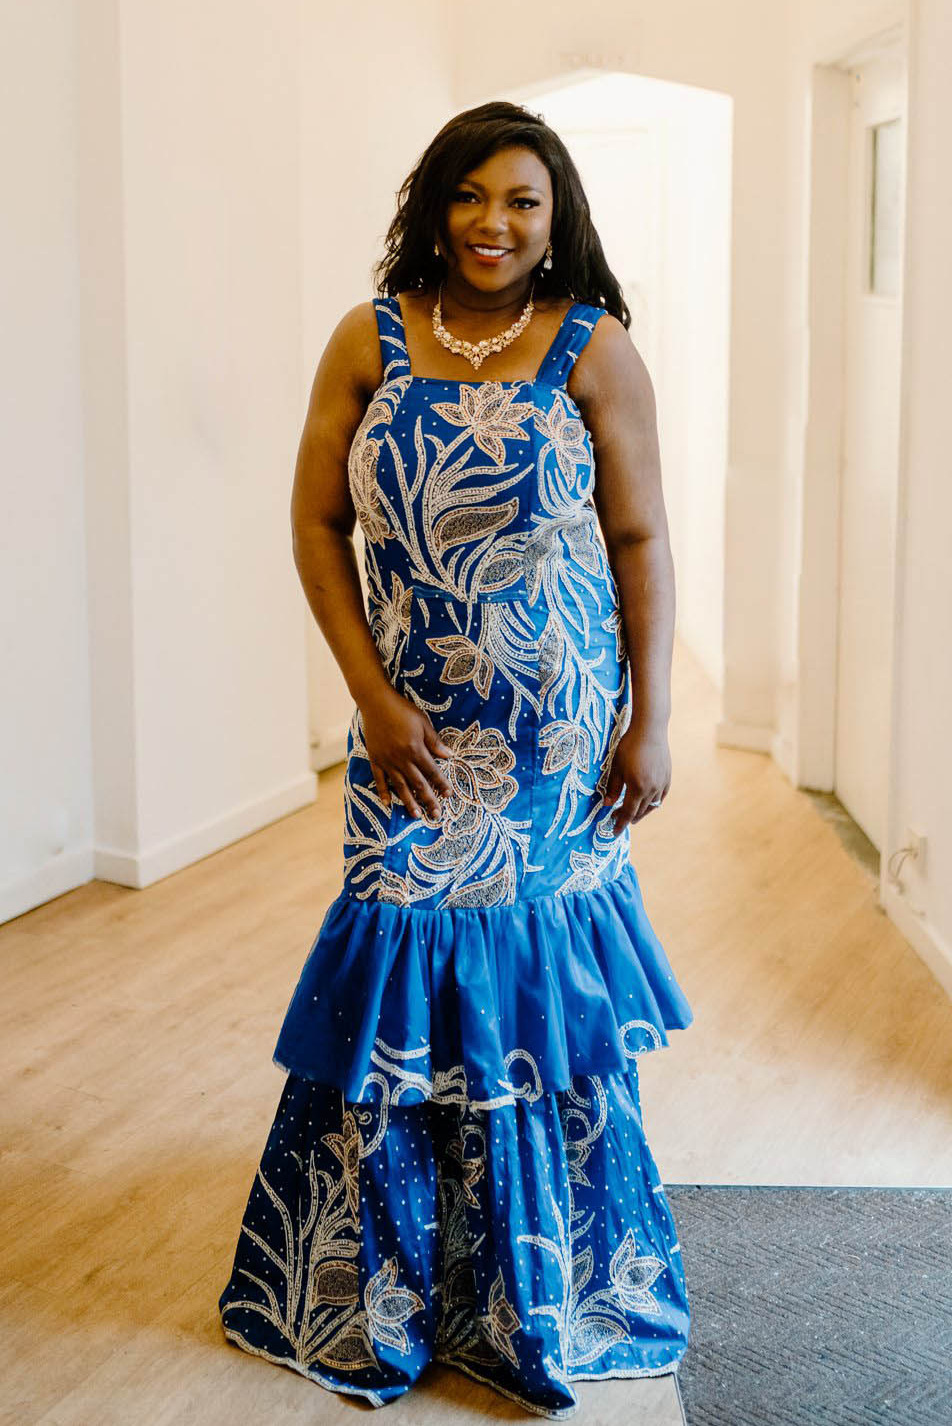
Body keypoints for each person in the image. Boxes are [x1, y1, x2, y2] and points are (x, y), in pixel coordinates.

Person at [218, 100, 695, 1418]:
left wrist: (651, 719)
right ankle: (388, 1291)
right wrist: (368, 700)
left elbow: (642, 538)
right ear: (433, 205)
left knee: (533, 995)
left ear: (557, 218)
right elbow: (316, 523)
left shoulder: (594, 348)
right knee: (399, 963)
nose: (494, 223)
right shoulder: (367, 339)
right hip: (411, 735)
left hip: (557, 738)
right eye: (471, 195)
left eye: (522, 200)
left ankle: (539, 1286)